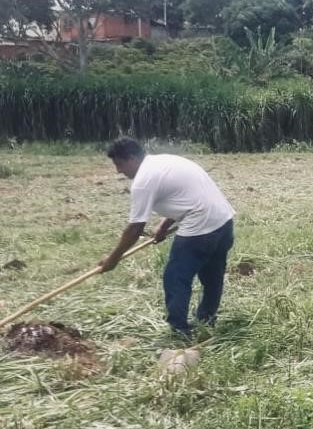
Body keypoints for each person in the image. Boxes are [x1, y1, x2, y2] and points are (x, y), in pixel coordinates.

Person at [99, 138, 235, 338]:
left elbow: (135, 228)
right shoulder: (165, 162)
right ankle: (207, 321)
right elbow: (185, 196)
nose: (118, 171)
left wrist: (113, 259)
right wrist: (164, 225)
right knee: (213, 277)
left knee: (176, 278)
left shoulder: (143, 180)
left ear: (132, 158)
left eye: (119, 164)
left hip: (200, 228)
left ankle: (179, 331)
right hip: (224, 222)